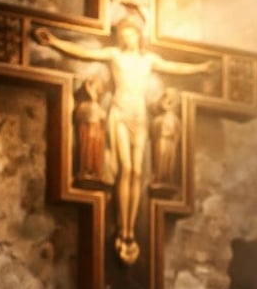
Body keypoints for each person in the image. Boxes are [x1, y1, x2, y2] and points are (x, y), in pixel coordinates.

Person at [35, 19, 214, 265]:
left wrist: (201, 67)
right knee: (126, 169)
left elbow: (175, 67)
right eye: (124, 34)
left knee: (138, 172)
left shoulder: (149, 60)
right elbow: (86, 52)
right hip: (119, 111)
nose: (128, 38)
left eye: (132, 33)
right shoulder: (114, 55)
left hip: (139, 115)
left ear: (139, 36)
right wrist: (55, 41)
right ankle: (123, 230)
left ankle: (131, 228)